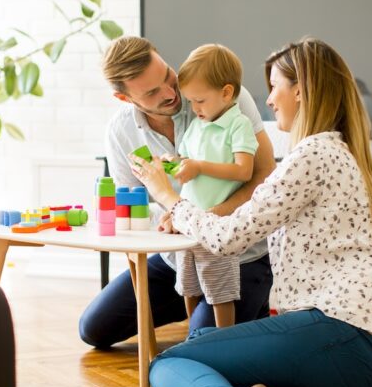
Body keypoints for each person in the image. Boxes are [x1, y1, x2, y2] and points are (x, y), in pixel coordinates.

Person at [130, 37, 372, 387]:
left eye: (275, 86)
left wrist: (169, 197)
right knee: (204, 336)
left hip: (343, 336)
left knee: (164, 365)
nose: (269, 99)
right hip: (367, 355)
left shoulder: (310, 155)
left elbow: (227, 239)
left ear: (302, 90)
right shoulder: (343, 150)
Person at [78, 36, 276, 348]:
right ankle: (202, 310)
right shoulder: (121, 132)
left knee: (203, 342)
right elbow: (134, 205)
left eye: (168, 76)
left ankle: (245, 306)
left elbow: (264, 174)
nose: (172, 93)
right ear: (124, 98)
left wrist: (200, 220)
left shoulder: (223, 95)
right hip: (176, 257)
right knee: (94, 329)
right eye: (152, 92)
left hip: (237, 256)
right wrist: (170, 222)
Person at [170, 44, 258, 328]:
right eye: (191, 102)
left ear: (227, 93)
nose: (194, 109)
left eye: (200, 101)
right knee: (189, 286)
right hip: (189, 224)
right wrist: (169, 164)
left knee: (221, 291)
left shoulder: (238, 125)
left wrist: (199, 166)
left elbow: (244, 171)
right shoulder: (197, 125)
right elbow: (184, 162)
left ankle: (224, 340)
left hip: (218, 228)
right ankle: (193, 338)